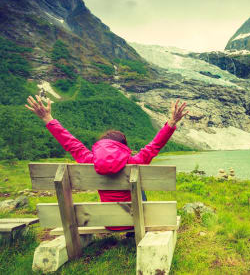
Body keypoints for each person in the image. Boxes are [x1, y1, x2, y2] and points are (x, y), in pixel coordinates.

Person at [25, 95, 188, 230]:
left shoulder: (89, 160)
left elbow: (70, 143)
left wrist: (47, 118)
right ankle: (135, 231)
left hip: (108, 222)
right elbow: (155, 145)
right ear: (124, 147)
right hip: (134, 220)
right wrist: (172, 122)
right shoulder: (134, 161)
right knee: (139, 184)